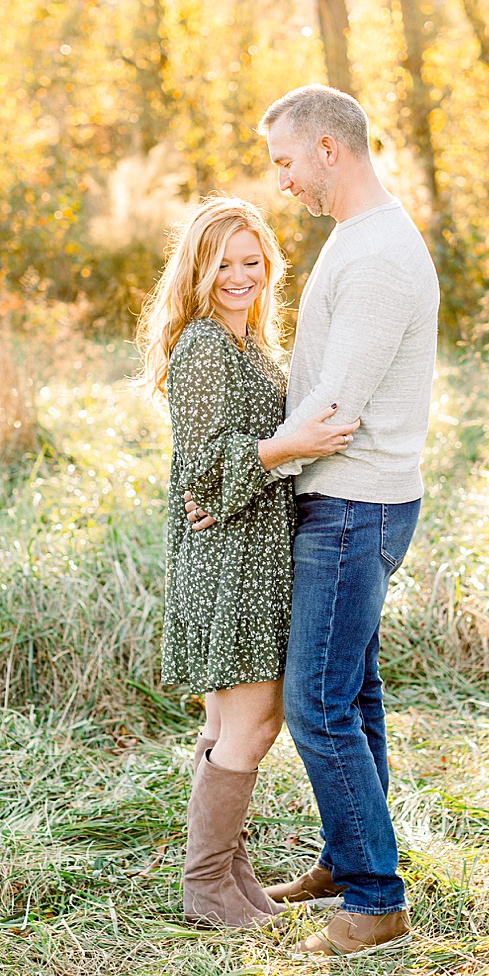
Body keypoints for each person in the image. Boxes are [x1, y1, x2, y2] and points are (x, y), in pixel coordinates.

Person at [185, 85, 440, 957]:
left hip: (352, 506)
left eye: (285, 160)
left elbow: (335, 408)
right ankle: (346, 858)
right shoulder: (358, 240)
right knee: (354, 693)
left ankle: (374, 898)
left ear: (329, 149)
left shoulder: (375, 258)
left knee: (317, 705)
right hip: (346, 499)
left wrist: (238, 473)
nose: (281, 180)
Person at [137, 194, 360, 928]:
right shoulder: (204, 346)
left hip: (254, 548)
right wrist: (287, 449)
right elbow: (200, 467)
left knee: (232, 723)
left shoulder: (250, 346)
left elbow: (233, 461)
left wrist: (275, 457)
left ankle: (233, 883)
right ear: (199, 270)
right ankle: (205, 887)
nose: (241, 275)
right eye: (224, 262)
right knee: (253, 724)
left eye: (252, 260)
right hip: (227, 559)